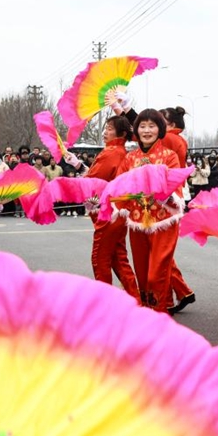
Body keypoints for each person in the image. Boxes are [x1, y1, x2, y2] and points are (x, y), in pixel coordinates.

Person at [115, 109, 183, 313]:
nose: (146, 131)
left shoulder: (169, 156)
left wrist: (164, 196)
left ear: (160, 129)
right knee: (143, 274)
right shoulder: (129, 158)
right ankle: (149, 313)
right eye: (142, 126)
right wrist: (103, 203)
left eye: (152, 126)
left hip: (164, 223)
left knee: (157, 274)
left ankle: (160, 315)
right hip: (138, 222)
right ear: (136, 129)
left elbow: (177, 192)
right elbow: (119, 188)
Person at [84, 116, 141, 302]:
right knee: (119, 259)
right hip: (119, 213)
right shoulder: (120, 153)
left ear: (122, 133)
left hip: (108, 213)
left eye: (109, 128)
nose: (104, 132)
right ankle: (135, 300)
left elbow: (93, 181)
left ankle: (105, 305)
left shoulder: (111, 153)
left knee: (100, 258)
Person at [159, 106, 195, 313]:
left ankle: (167, 299)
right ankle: (181, 291)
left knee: (160, 252)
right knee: (161, 252)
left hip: (167, 198)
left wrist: (125, 111)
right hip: (170, 196)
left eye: (158, 120)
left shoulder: (170, 139)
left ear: (170, 124)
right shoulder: (177, 139)